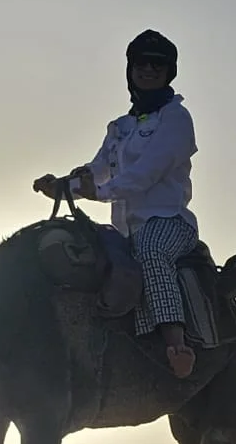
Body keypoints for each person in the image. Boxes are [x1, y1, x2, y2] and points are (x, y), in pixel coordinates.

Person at [35, 29, 200, 378]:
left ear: (169, 72)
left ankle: (175, 342)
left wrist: (103, 193)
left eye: (158, 64)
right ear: (131, 69)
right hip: (126, 229)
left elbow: (150, 170)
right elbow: (98, 171)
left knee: (151, 250)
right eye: (142, 63)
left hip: (168, 221)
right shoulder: (121, 127)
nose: (149, 70)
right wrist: (64, 187)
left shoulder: (176, 118)